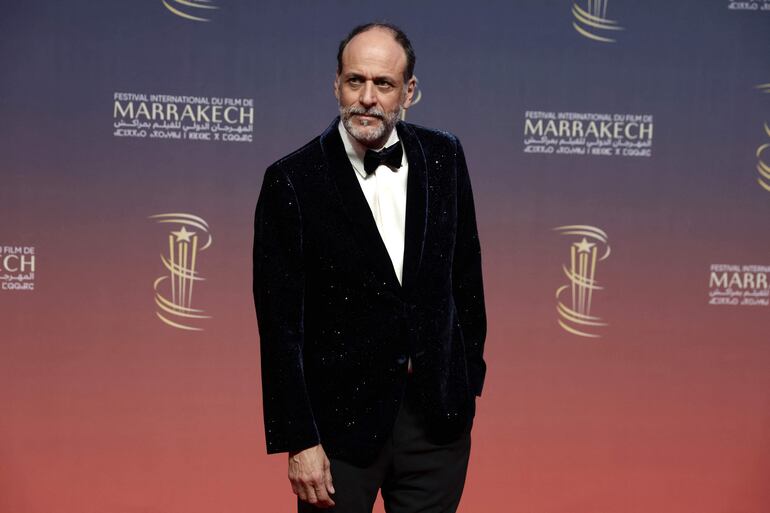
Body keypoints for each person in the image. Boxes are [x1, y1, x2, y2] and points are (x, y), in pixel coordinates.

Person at [253, 22, 486, 513]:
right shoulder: (292, 180)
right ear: (335, 85)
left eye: (383, 84)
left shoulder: (444, 156)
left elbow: (465, 279)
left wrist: (467, 383)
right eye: (355, 81)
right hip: (337, 433)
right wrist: (299, 439)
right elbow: (279, 328)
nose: (367, 98)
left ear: (409, 92)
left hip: (435, 424)